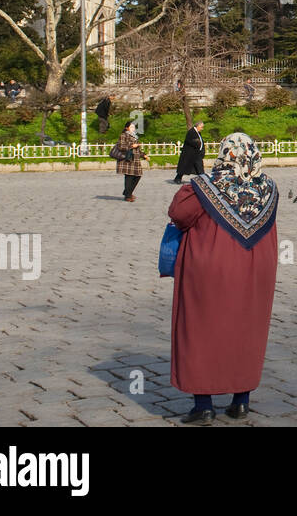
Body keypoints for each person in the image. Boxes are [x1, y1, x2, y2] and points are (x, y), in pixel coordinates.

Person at [167, 133, 279, 424]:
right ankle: (241, 401)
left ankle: (203, 405)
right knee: (246, 330)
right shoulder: (268, 187)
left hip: (210, 269)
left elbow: (179, 214)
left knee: (201, 330)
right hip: (256, 269)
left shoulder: (205, 185)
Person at [115, 120, 147, 203]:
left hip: (135, 160)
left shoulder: (135, 136)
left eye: (134, 127)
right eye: (131, 127)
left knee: (137, 176)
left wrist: (144, 155)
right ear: (127, 128)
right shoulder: (123, 135)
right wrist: (131, 146)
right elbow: (121, 146)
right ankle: (128, 196)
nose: (133, 128)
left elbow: (138, 149)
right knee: (129, 177)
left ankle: (127, 192)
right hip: (127, 160)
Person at [174, 120, 206, 184]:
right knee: (185, 167)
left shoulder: (197, 132)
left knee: (199, 167)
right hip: (189, 154)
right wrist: (197, 142)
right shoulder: (191, 132)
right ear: (198, 126)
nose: (202, 129)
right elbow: (191, 141)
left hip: (196, 154)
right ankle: (178, 178)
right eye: (201, 127)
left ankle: (202, 179)